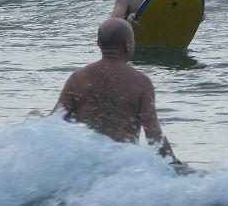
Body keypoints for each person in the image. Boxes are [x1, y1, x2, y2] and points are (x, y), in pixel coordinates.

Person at [48, 18, 177, 159]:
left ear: (98, 44)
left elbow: (54, 123)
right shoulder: (141, 82)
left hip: (84, 161)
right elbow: (154, 135)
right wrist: (177, 167)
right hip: (121, 162)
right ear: (128, 45)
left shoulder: (78, 78)